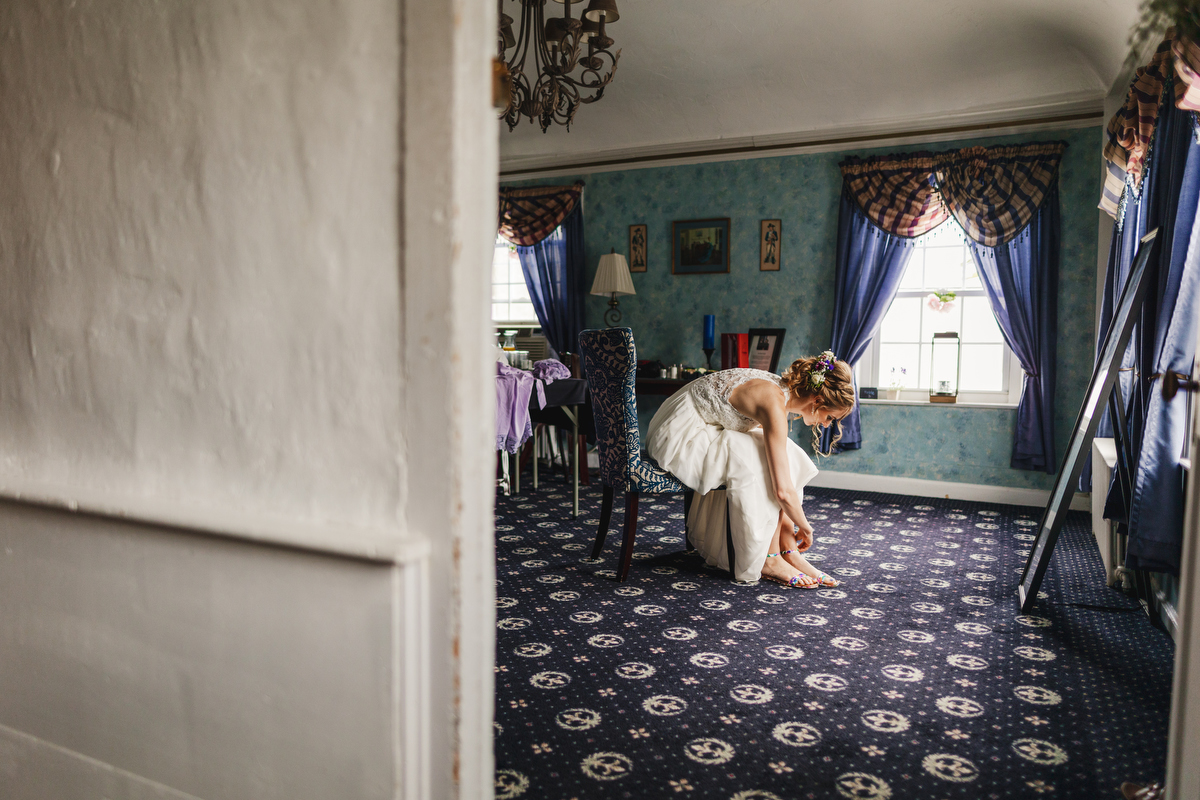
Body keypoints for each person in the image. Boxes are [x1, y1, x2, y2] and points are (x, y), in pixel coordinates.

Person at [646, 352, 854, 587]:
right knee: (759, 462)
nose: (826, 424)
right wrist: (806, 528)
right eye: (829, 417)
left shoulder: (782, 395)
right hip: (681, 432)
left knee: (788, 453)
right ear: (817, 400)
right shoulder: (773, 402)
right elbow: (782, 490)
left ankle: (789, 551)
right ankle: (771, 558)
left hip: (709, 425)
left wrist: (797, 526)